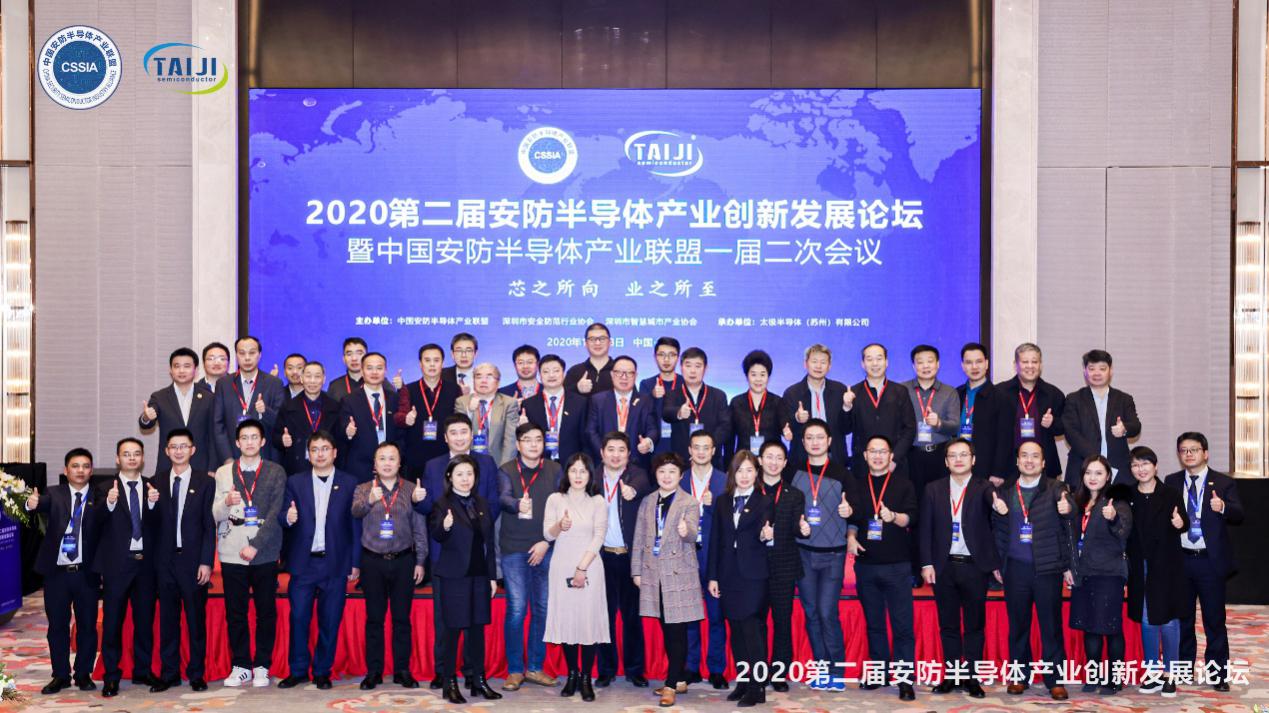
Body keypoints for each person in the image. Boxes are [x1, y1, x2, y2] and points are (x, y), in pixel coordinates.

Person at [414, 413, 501, 689]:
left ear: (472, 434)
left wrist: (473, 530)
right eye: (454, 432)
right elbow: (429, 510)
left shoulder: (486, 463)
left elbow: (493, 504)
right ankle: (443, 672)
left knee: (476, 619)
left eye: (464, 432)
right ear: (445, 437)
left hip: (477, 553)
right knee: (445, 620)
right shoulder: (433, 465)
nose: (460, 437)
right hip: (446, 552)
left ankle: (473, 673)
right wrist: (418, 500)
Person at [919, 437, 1004, 698]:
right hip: (943, 566)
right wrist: (926, 563)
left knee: (974, 626)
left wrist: (997, 503)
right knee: (949, 625)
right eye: (953, 455)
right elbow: (925, 529)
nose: (958, 460)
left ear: (973, 459)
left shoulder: (984, 487)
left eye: (964, 455)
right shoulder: (933, 489)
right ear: (946, 461)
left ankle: (972, 678)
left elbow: (993, 506)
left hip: (974, 567)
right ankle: (953, 676)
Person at [277, 430, 360, 690]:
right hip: (304, 563)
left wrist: (355, 562)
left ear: (334, 452)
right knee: (298, 618)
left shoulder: (350, 482)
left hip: (335, 563)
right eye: (314, 449)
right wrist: (287, 517)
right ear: (308, 454)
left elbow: (355, 526)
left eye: (325, 449)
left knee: (330, 621)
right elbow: (282, 515)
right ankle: (298, 670)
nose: (320, 454)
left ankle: (323, 671)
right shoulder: (295, 482)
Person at [1164, 432, 1243, 691]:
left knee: (1214, 620)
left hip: (1210, 562)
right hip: (1181, 560)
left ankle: (1218, 674)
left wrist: (1223, 507)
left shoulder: (1223, 482)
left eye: (1194, 449)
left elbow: (1239, 513)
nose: (1189, 454)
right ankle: (1184, 668)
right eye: (1184, 450)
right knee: (1183, 619)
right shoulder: (1172, 481)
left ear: (1205, 453)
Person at [212, 419, 287, 688]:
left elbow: (276, 513)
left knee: (266, 611)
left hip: (264, 551)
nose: (249, 442)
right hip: (231, 550)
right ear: (237, 442)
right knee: (236, 612)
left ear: (263, 441)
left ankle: (262, 665)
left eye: (254, 437)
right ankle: (241, 665)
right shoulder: (223, 472)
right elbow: (215, 514)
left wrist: (255, 545)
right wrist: (226, 502)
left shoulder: (275, 471)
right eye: (244, 438)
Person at [994, 440, 1071, 701]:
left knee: (1051, 627)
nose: (1029, 460)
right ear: (1017, 461)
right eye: (1024, 456)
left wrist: (1069, 508)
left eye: (1035, 456)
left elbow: (1070, 517)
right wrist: (999, 563)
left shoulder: (1056, 489)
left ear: (1044, 462)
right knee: (1018, 626)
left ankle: (1055, 680)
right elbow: (998, 530)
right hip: (1015, 568)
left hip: (1047, 569)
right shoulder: (1005, 491)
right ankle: (1019, 676)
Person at [351, 442, 429, 690]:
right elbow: (355, 512)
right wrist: (369, 501)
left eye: (392, 458)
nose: (387, 463)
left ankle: (402, 670)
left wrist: (420, 560)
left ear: (399, 463)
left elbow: (419, 529)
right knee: (374, 619)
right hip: (372, 561)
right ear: (374, 465)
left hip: (404, 560)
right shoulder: (363, 489)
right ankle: (374, 671)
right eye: (382, 458)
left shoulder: (411, 489)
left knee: (401, 619)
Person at [846, 435, 917, 701]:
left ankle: (905, 680)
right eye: (873, 451)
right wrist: (851, 537)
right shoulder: (856, 485)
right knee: (874, 624)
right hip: (866, 566)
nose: (877, 456)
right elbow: (854, 519)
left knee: (902, 627)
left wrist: (894, 517)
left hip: (897, 565)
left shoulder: (904, 484)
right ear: (865, 456)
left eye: (883, 451)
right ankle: (879, 673)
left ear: (890, 456)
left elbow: (912, 517)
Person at [28, 448, 104, 694]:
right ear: (66, 470)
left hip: (86, 573)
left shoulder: (100, 496)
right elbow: (39, 504)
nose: (80, 470)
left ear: (91, 471)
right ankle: (60, 675)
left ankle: (83, 674)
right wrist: (31, 503)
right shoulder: (54, 493)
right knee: (57, 626)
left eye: (85, 466)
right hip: (57, 573)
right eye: (75, 466)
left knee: (87, 626)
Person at [632, 452, 703, 707]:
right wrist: (636, 571)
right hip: (653, 572)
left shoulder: (689, 502)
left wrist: (686, 531)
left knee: (676, 631)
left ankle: (671, 685)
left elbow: (693, 534)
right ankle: (679, 679)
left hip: (679, 574)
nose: (666, 476)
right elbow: (639, 538)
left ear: (681, 475)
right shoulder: (648, 501)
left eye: (672, 471)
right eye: (662, 471)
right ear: (656, 474)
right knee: (665, 627)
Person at [429, 455, 502, 704]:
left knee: (477, 630)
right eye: (459, 474)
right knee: (452, 631)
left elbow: (488, 542)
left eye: (469, 474)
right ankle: (449, 683)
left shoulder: (481, 502)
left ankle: (479, 681)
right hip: (454, 576)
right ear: (450, 477)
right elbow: (437, 534)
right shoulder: (442, 503)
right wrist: (445, 526)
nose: (465, 479)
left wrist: (492, 576)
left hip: (479, 575)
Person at [497, 423, 563, 690]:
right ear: (518, 444)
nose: (534, 444)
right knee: (517, 609)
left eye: (538, 439)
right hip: (514, 548)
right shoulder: (506, 470)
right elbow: (502, 497)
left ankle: (535, 667)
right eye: (527, 440)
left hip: (546, 547)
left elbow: (563, 507)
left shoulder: (555, 470)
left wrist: (547, 542)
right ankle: (515, 670)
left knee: (542, 609)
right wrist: (516, 504)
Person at [149, 429, 216, 693]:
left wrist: (206, 561)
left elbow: (208, 525)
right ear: (166, 451)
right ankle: (170, 674)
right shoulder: (155, 482)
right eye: (173, 447)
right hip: (164, 562)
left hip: (193, 562)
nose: (178, 451)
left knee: (196, 620)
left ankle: (197, 674)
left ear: (192, 449)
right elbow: (150, 524)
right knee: (168, 620)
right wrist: (150, 504)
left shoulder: (205, 481)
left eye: (183, 446)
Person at [707, 451, 773, 707]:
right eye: (739, 470)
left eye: (749, 470)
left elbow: (766, 531)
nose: (744, 476)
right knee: (735, 629)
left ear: (757, 473)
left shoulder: (764, 501)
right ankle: (744, 682)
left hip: (753, 574)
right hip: (728, 574)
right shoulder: (722, 501)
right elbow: (716, 540)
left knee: (752, 629)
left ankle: (758, 687)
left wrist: (767, 535)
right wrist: (713, 576)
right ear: (731, 474)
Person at [95, 438, 161, 697]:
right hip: (117, 565)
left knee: (144, 622)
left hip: (145, 564)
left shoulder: (152, 487)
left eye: (136, 454)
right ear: (117, 459)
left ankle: (143, 670)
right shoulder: (104, 488)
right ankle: (112, 675)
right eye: (126, 454)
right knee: (112, 623)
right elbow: (93, 522)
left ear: (142, 458)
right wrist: (109, 503)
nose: (132, 458)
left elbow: (160, 526)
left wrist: (153, 505)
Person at [543, 453, 611, 702]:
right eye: (573, 470)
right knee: (568, 620)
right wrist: (559, 525)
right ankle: (572, 674)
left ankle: (586, 677)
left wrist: (582, 568)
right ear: (567, 473)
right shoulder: (555, 499)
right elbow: (547, 535)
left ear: (590, 474)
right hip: (561, 564)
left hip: (589, 564)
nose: (578, 476)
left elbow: (599, 536)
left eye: (583, 471)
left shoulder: (598, 501)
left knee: (587, 621)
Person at [791, 418, 852, 690]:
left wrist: (850, 513)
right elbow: (786, 510)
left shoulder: (843, 473)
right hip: (803, 553)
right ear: (803, 442)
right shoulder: (793, 472)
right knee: (811, 612)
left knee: (827, 612)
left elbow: (857, 510)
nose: (815, 442)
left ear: (829, 441)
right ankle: (821, 668)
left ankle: (837, 671)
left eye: (820, 437)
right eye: (809, 438)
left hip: (833, 555)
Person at [1067, 455, 1132, 695]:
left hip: (1109, 573)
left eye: (1098, 473)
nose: (1092, 478)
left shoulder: (1117, 502)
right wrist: (1069, 568)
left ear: (1108, 476)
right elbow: (1070, 538)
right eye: (1088, 473)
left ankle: (1115, 678)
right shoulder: (1078, 502)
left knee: (1110, 627)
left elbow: (1124, 533)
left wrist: (1113, 518)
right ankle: (1093, 676)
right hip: (1083, 573)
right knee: (1090, 627)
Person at [594, 431, 654, 689]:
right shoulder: (593, 478)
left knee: (632, 617)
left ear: (629, 454)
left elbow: (646, 484)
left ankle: (635, 670)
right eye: (611, 449)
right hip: (601, 558)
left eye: (621, 450)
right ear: (602, 453)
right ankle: (606, 670)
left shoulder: (636, 475)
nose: (616, 455)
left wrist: (634, 491)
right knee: (604, 616)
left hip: (630, 558)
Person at [1126, 446, 1187, 697]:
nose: (1140, 469)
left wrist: (1180, 522)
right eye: (1135, 465)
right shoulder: (1128, 495)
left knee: (1169, 619)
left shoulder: (1170, 493)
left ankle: (1170, 674)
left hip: (1166, 565)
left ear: (1155, 466)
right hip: (1139, 565)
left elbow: (1184, 521)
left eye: (1145, 464)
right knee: (1147, 619)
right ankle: (1152, 674)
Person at [755, 441, 807, 693]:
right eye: (769, 457)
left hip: (784, 566)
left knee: (782, 621)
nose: (774, 462)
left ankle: (779, 672)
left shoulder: (794, 494)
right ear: (760, 460)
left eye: (779, 458)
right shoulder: (750, 491)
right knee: (757, 622)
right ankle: (758, 670)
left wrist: (803, 529)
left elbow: (797, 526)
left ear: (785, 463)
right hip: (754, 567)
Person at [681, 430, 728, 689]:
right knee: (689, 616)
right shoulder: (679, 479)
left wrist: (714, 505)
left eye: (706, 447)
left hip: (714, 556)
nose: (701, 452)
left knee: (716, 616)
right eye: (696, 447)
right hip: (686, 555)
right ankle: (691, 667)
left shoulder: (725, 481)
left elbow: (732, 521)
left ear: (713, 451)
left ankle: (717, 669)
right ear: (689, 450)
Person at [1061, 350, 1141, 485]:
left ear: (1111, 371)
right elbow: (1071, 433)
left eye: (1102, 369)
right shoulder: (1074, 399)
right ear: (1085, 371)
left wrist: (1124, 428)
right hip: (1083, 467)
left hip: (1118, 469)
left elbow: (1136, 426)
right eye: (1092, 369)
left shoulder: (1124, 399)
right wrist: (1097, 460)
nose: (1097, 373)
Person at [842, 343, 916, 478]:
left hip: (894, 465)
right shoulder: (853, 392)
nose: (875, 363)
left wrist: (894, 459)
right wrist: (846, 408)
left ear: (886, 362)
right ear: (863, 364)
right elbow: (845, 429)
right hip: (862, 466)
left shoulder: (900, 391)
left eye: (879, 358)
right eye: (869, 359)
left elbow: (910, 429)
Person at [139, 347, 217, 475]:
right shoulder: (159, 397)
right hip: (168, 465)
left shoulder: (209, 397)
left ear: (196, 370)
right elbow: (145, 424)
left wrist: (212, 467)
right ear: (170, 370)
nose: (181, 370)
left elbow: (214, 436)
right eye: (177, 366)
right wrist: (146, 417)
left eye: (187, 366)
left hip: (201, 466)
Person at [996, 343, 1065, 482]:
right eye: (1025, 362)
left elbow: (1064, 427)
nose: (1030, 366)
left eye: (1034, 362)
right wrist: (995, 470)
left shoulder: (1053, 394)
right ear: (1015, 365)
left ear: (1040, 365)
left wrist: (1053, 423)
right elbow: (991, 434)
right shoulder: (999, 392)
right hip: (1007, 468)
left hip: (1044, 467)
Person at [212, 336, 287, 464]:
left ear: (259, 355)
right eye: (242, 353)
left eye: (252, 353)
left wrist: (265, 411)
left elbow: (281, 423)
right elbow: (218, 424)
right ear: (236, 355)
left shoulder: (274, 383)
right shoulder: (224, 384)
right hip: (233, 457)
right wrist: (227, 458)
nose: (247, 358)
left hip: (265, 459)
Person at [901, 344, 961, 498]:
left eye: (930, 361)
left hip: (940, 455)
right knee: (913, 499)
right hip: (911, 455)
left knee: (940, 500)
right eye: (920, 362)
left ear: (938, 364)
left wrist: (939, 423)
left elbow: (955, 426)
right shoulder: (902, 390)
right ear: (914, 366)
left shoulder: (949, 392)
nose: (925, 366)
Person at [395, 343, 461, 475]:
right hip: (416, 455)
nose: (432, 365)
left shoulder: (454, 389)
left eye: (436, 360)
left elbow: (459, 419)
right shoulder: (409, 389)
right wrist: (406, 419)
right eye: (427, 360)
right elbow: (399, 416)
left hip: (445, 454)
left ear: (442, 363)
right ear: (420, 364)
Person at [660, 347, 729, 468]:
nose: (692, 371)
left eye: (697, 366)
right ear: (681, 368)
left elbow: (725, 426)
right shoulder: (672, 394)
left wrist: (707, 448)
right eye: (688, 366)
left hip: (712, 460)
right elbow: (666, 413)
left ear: (705, 368)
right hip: (681, 460)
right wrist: (679, 412)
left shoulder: (719, 396)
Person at [337, 352, 400, 481]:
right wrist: (348, 432)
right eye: (369, 368)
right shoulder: (349, 400)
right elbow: (341, 431)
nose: (374, 372)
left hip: (390, 468)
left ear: (385, 371)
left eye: (379, 368)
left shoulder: (394, 398)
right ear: (362, 371)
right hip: (360, 469)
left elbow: (401, 433)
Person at [956, 343, 1012, 485]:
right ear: (963, 366)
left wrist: (998, 471)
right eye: (969, 362)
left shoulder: (1001, 397)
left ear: (986, 364)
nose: (974, 367)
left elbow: (1005, 438)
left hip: (986, 468)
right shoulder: (956, 394)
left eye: (979, 361)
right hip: (957, 464)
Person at [784, 344, 850, 465]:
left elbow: (847, 428)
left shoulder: (840, 390)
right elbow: (787, 430)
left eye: (823, 362)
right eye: (814, 361)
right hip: (803, 459)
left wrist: (847, 408)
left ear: (829, 366)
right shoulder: (792, 393)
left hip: (834, 457)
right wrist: (797, 419)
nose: (818, 366)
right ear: (805, 364)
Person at [585, 355, 658, 464]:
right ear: (612, 374)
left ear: (636, 376)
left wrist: (648, 442)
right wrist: (605, 453)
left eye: (629, 373)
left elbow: (653, 429)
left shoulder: (646, 401)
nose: (624, 377)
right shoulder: (598, 400)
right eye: (619, 372)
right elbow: (591, 431)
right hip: (605, 463)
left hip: (636, 463)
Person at [723, 350, 792, 464]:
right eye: (753, 374)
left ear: (768, 376)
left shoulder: (778, 402)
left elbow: (785, 427)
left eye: (762, 374)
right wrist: (728, 464)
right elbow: (730, 438)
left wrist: (787, 432)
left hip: (771, 463)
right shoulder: (736, 402)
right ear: (747, 376)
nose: (758, 379)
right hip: (744, 462)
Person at [273, 361, 342, 474]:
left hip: (327, 466)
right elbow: (275, 437)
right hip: (298, 468)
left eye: (317, 376)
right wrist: (282, 440)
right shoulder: (288, 406)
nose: (312, 381)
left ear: (324, 379)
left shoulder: (335, 406)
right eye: (308, 376)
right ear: (302, 379)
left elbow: (340, 439)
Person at [521, 354, 587, 464]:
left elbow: (584, 438)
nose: (551, 375)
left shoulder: (580, 402)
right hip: (540, 463)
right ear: (540, 376)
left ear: (563, 374)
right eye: (546, 372)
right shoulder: (529, 404)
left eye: (556, 371)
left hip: (572, 464)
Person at [454, 363, 519, 465]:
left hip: (498, 463)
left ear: (498, 382)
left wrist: (504, 468)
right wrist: (469, 412)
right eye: (479, 377)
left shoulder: (509, 403)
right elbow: (458, 434)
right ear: (473, 381)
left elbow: (510, 441)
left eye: (489, 377)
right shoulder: (462, 402)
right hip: (468, 463)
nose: (483, 381)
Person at [638, 337, 681, 455]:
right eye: (661, 355)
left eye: (671, 355)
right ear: (655, 357)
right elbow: (643, 416)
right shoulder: (646, 384)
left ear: (678, 358)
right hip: (655, 447)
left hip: (680, 445)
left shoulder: (685, 383)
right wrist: (652, 396)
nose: (666, 359)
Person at [327, 337, 396, 401]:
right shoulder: (335, 386)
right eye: (349, 354)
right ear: (344, 359)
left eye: (359, 353)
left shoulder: (382, 383)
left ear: (367, 357)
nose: (354, 358)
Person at [565, 322, 615, 396]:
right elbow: (563, 397)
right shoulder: (574, 372)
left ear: (610, 342)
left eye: (602, 339)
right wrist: (576, 388)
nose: (597, 343)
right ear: (586, 343)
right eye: (592, 339)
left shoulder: (619, 371)